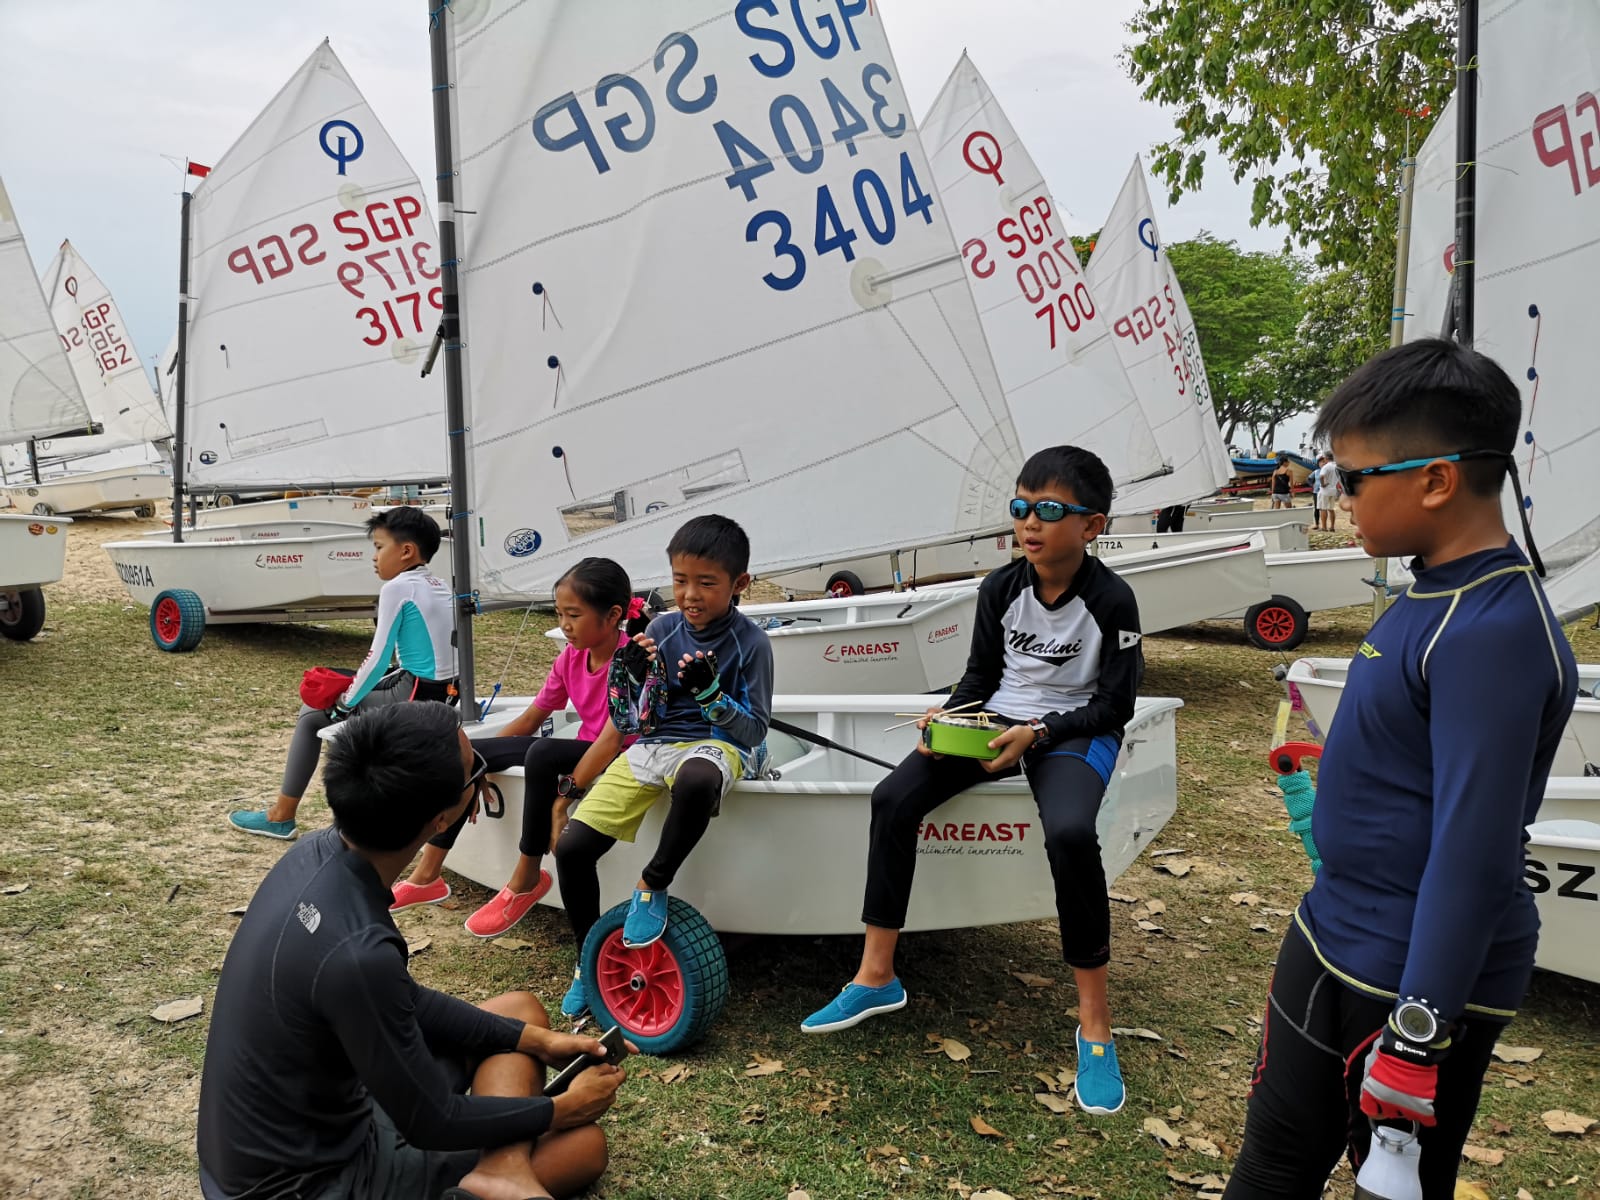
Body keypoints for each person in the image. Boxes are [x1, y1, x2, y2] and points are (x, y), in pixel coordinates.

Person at [1223, 339, 1577, 1199]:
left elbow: (1474, 854)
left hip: (1409, 980)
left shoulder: (1492, 628)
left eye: (1352, 479)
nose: (1339, 498)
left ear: (1436, 481)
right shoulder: (1427, 589)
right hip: (1329, 931)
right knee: (1270, 1169)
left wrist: (1419, 1035)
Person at [800, 446, 1144, 1118]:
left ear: (1092, 525)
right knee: (892, 798)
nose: (1029, 523)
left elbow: (1116, 705)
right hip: (997, 720)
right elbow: (981, 678)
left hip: (1074, 730)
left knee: (1071, 833)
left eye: (1049, 510)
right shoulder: (1001, 588)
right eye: (1020, 507)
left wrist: (1039, 732)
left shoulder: (1113, 600)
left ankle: (1096, 1024)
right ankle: (877, 974)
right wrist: (949, 716)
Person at [197, 702, 627, 1200]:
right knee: (583, 1147)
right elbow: (431, 1121)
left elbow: (403, 1000)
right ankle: (501, 1172)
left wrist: (540, 1042)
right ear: (443, 818)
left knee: (520, 1015)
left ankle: (503, 1170)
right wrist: (560, 1109)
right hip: (306, 1184)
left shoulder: (313, 853)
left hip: (321, 1123)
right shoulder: (358, 952)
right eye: (476, 772)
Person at [551, 514, 772, 1016]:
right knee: (572, 849)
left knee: (696, 779)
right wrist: (629, 678)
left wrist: (713, 699)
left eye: (706, 583)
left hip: (716, 744)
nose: (690, 595)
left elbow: (754, 731)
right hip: (654, 746)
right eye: (679, 580)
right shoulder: (661, 628)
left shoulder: (752, 643)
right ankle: (587, 961)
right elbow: (634, 720)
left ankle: (652, 884)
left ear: (739, 583)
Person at [391, 558, 650, 944]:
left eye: (574, 615)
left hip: (622, 753)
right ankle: (427, 874)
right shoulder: (571, 656)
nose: (564, 625)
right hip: (583, 748)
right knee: (465, 752)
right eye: (559, 614)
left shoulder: (633, 660)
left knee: (542, 753)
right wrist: (478, 766)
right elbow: (531, 719)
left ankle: (527, 877)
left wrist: (562, 801)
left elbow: (612, 740)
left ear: (613, 615)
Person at [229, 506, 456, 840]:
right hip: (445, 691)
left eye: (379, 547)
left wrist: (344, 704)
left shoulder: (398, 588)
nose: (374, 557)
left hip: (414, 694)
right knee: (340, 686)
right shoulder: (438, 584)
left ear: (406, 551)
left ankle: (281, 816)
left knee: (312, 715)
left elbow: (377, 659)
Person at [1315, 452, 1340, 532]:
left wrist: (1323, 484)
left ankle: (1324, 527)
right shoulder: (1337, 466)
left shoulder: (1326, 466)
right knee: (1331, 509)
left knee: (1323, 508)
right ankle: (1332, 527)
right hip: (1333, 489)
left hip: (1325, 490)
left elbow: (1321, 476)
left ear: (1326, 458)